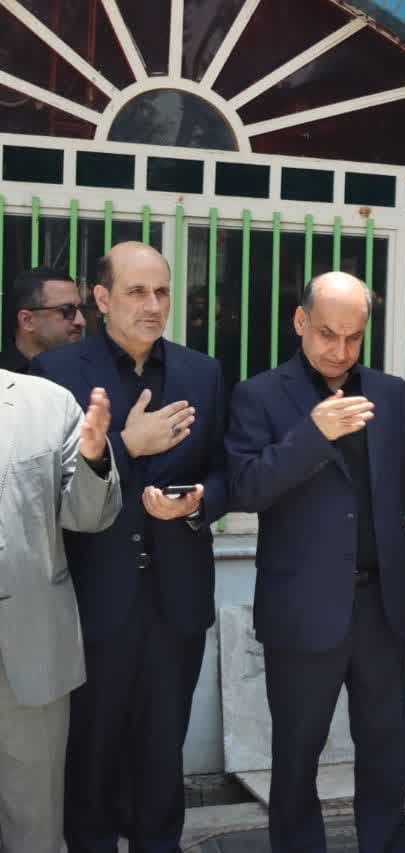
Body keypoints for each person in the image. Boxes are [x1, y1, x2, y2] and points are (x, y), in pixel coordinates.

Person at [32, 241, 229, 853]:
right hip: (94, 600)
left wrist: (200, 500)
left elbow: (226, 470)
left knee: (162, 759)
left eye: (162, 292)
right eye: (137, 291)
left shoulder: (203, 372)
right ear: (101, 298)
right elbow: (43, 486)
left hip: (177, 599)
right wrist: (125, 444)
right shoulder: (56, 375)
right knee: (91, 758)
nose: (153, 305)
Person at [226, 272, 405, 852]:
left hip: (380, 605)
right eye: (328, 334)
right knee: (296, 756)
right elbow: (246, 489)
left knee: (386, 753)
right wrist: (313, 434)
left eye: (354, 337)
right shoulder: (259, 395)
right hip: (302, 606)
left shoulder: (391, 394)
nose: (340, 351)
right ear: (300, 321)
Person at [0, 372, 119, 852]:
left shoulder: (47, 404)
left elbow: (88, 516)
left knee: (35, 828)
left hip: (28, 656)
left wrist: (93, 457)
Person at [0, 266, 85, 373]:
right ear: (27, 320)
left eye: (80, 309)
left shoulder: (86, 372)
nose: (81, 321)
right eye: (67, 310)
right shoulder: (3, 377)